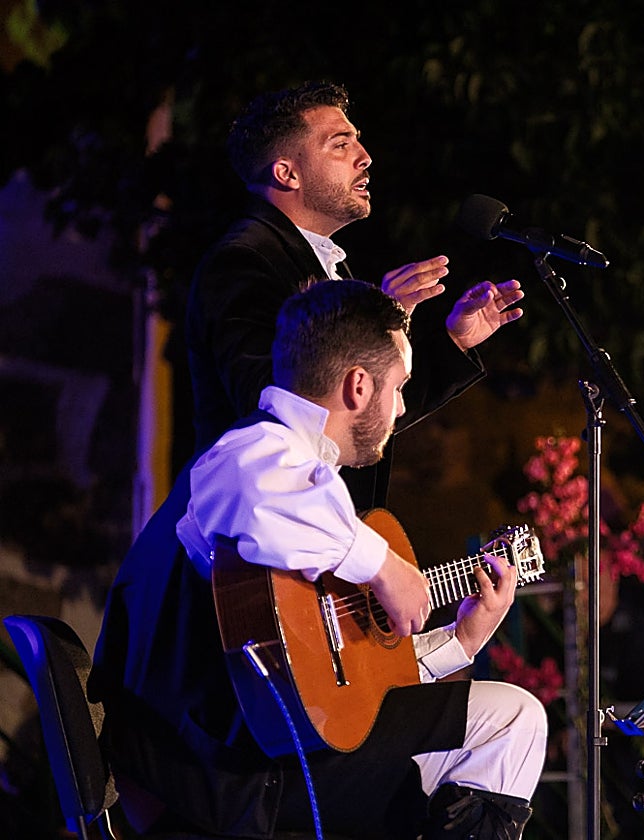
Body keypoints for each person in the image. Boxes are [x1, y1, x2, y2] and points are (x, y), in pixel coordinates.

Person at [91, 279, 547, 839]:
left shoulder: (305, 487)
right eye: (400, 387)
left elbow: (336, 688)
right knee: (513, 719)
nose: (403, 408)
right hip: (219, 781)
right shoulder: (251, 454)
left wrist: (461, 640)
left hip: (247, 764)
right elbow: (262, 491)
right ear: (358, 385)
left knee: (456, 761)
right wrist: (384, 567)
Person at [187, 79, 523, 508]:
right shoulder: (243, 260)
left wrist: (452, 342)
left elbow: (365, 412)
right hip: (262, 531)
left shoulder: (323, 262)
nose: (365, 158)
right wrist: (374, 325)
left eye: (357, 142)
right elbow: (271, 405)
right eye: (340, 145)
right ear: (287, 173)